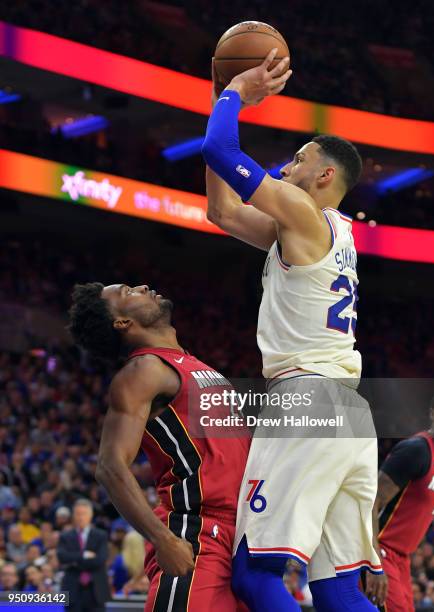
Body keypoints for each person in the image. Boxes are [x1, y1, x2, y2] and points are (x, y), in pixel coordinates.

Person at [202, 50, 384, 611]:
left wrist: (234, 91)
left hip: (305, 401)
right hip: (350, 411)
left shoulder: (303, 215)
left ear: (324, 175)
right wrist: (220, 100)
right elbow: (223, 212)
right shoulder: (327, 231)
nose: (286, 166)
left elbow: (219, 149)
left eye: (299, 158)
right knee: (338, 590)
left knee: (255, 576)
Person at [68, 282, 250, 611]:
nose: (143, 286)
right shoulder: (143, 370)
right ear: (122, 322)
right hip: (197, 535)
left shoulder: (196, 366)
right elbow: (110, 466)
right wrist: (163, 539)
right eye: (127, 292)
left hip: (242, 536)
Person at [374, 394, 434, 611]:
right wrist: (374, 563)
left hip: (403, 558)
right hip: (381, 549)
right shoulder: (416, 450)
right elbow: (370, 503)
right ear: (432, 412)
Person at [57, 499, 110, 612]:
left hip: (96, 591)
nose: (81, 517)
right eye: (78, 514)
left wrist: (74, 561)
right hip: (73, 590)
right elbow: (62, 557)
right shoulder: (65, 536)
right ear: (73, 516)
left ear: (90, 515)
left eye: (84, 514)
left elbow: (100, 559)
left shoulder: (101, 535)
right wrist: (83, 555)